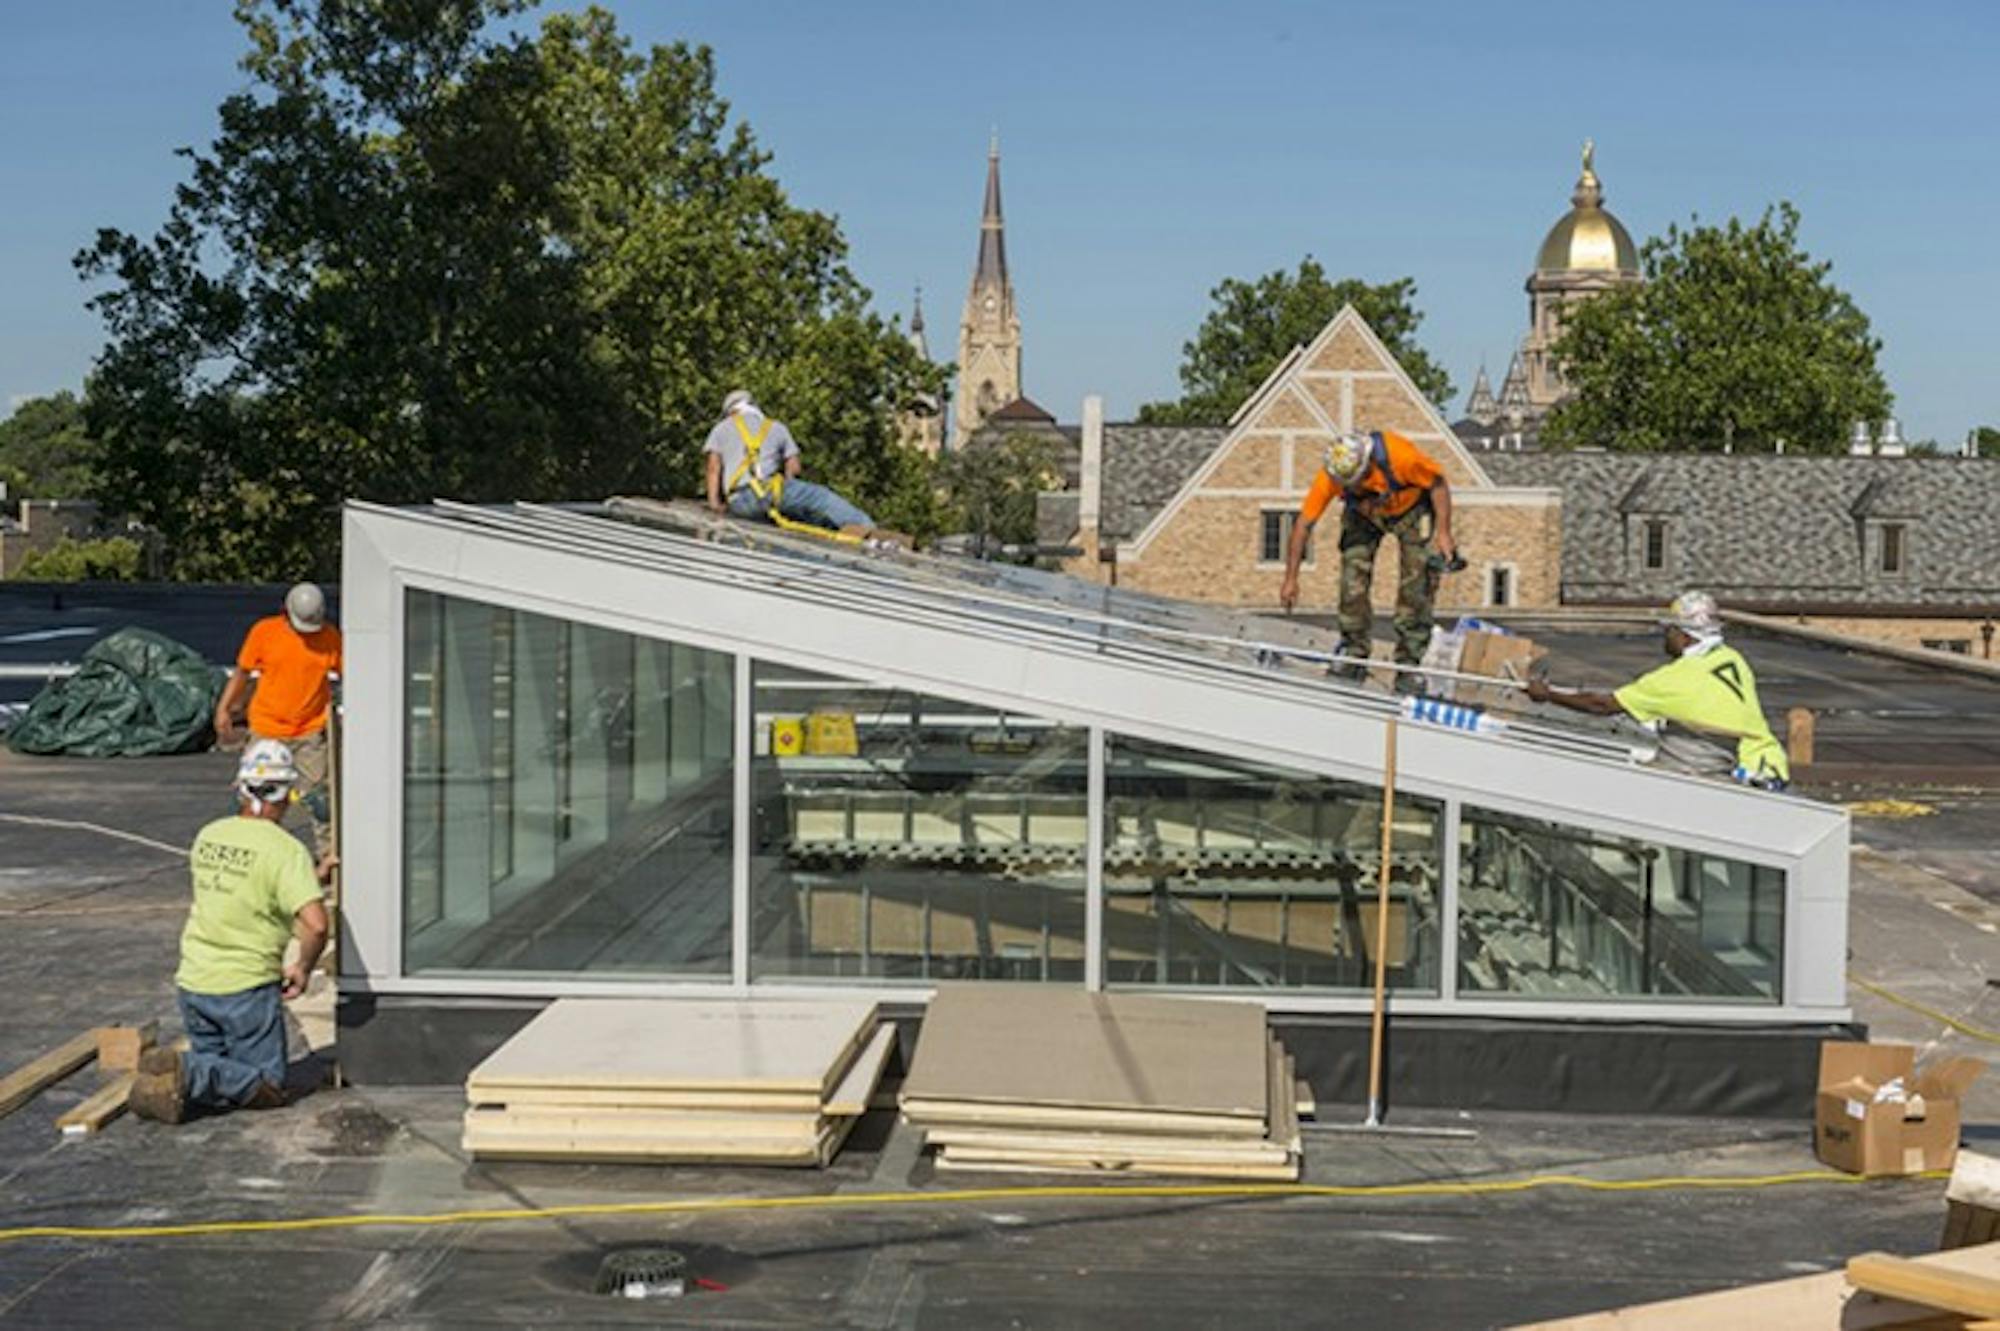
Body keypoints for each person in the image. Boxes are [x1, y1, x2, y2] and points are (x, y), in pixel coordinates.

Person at [129, 740, 335, 1123]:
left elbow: (245, 890)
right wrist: (303, 967)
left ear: (240, 787)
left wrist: (311, 878)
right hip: (245, 990)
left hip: (194, 981)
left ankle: (186, 1076)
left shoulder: (209, 835)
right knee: (268, 1086)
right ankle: (187, 1071)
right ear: (287, 794)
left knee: (224, 1079)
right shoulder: (285, 851)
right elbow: (316, 925)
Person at [1526, 591, 1791, 791]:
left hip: (1738, 774)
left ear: (1687, 636)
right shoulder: (1732, 658)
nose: (1665, 636)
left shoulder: (1674, 680)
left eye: (1670, 630)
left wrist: (1547, 695)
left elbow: (1602, 705)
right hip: (1768, 763)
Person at [1277, 430, 1457, 688]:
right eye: (1347, 485)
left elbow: (1438, 484)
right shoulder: (1332, 474)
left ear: (1367, 463)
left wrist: (1443, 533)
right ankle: (1354, 655)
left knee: (1417, 585)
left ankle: (1408, 666)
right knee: (1352, 583)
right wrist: (1290, 579)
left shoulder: (1402, 458)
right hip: (1364, 513)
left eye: (1356, 481)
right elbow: (1303, 525)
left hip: (1412, 509)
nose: (1352, 487)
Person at [214, 582, 341, 857]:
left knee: (319, 800)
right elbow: (242, 673)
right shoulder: (265, 632)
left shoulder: (330, 638)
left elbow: (351, 674)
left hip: (310, 730)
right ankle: (251, 852)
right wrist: (225, 708)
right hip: (266, 728)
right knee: (256, 795)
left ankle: (328, 859)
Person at [703, 389, 880, 537]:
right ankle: (868, 529)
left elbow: (713, 468)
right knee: (820, 498)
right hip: (773, 494)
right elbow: (794, 468)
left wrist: (714, 504)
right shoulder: (776, 427)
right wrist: (787, 488)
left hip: (739, 503)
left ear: (729, 411)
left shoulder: (720, 429)